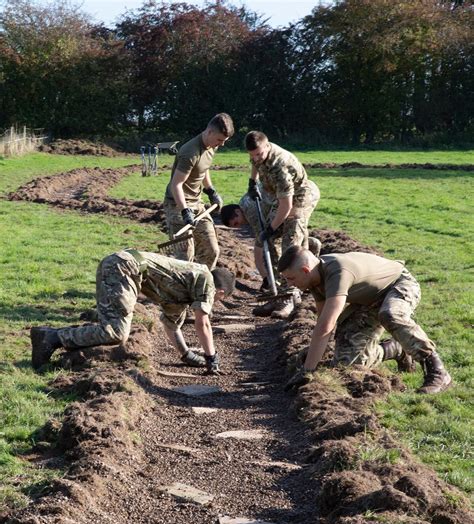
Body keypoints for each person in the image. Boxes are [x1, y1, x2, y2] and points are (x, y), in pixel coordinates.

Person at [278, 246, 452, 395]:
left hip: (399, 284)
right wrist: (315, 358)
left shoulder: (337, 272)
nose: (289, 284)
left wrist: (308, 371)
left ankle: (437, 370)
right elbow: (325, 323)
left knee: (391, 314)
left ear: (305, 270)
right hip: (369, 300)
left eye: (290, 278)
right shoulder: (314, 280)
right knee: (348, 364)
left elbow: (326, 325)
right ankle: (395, 349)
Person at [30, 249, 236, 374]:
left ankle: (54, 337)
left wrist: (186, 355)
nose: (213, 303)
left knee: (115, 329)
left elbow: (170, 325)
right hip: (124, 267)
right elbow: (203, 323)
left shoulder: (184, 290)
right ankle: (52, 337)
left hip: (123, 266)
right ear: (220, 292)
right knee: (117, 332)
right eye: (218, 300)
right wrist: (212, 358)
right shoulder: (206, 280)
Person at [243, 130, 321, 318]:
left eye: (259, 154)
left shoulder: (280, 165)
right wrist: (252, 182)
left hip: (301, 196)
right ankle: (277, 293)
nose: (256, 158)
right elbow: (255, 164)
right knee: (268, 240)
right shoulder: (257, 155)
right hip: (281, 197)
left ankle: (290, 296)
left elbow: (287, 206)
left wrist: (270, 229)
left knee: (290, 244)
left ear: (267, 146)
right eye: (252, 155)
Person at [163, 113, 234, 270]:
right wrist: (185, 212)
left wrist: (211, 191)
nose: (221, 145)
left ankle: (199, 288)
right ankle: (182, 291)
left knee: (212, 251)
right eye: (220, 140)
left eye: (224, 141)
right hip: (177, 204)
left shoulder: (211, 146)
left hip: (197, 202)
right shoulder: (190, 152)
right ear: (209, 132)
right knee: (184, 257)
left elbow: (203, 169)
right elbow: (176, 184)